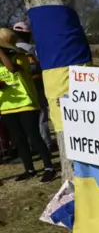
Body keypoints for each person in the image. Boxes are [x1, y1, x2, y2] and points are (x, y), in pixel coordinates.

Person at [0, 28, 56, 183]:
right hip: (6, 105)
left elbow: (12, 69)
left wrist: (1, 54)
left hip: (27, 104)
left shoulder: (21, 57)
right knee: (19, 139)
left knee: (34, 136)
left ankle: (49, 167)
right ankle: (29, 169)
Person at [12, 21, 56, 152]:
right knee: (42, 117)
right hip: (37, 86)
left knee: (26, 119)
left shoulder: (8, 50)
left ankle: (30, 144)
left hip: (18, 90)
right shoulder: (33, 49)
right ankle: (46, 143)